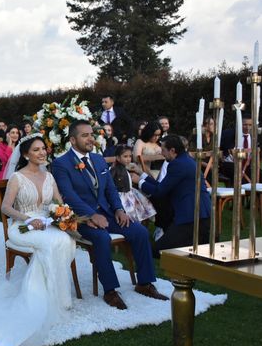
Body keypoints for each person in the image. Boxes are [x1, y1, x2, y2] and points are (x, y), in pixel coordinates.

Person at [0, 134, 77, 346]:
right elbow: (5, 208)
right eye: (36, 150)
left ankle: (59, 296)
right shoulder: (17, 177)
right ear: (25, 154)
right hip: (22, 226)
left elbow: (60, 203)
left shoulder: (49, 176)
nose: (42, 153)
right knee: (52, 243)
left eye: (44, 149)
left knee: (65, 238)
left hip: (45, 223)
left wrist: (65, 215)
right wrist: (27, 219)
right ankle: (41, 300)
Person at [52, 120, 166, 310]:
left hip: (108, 213)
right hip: (80, 218)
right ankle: (111, 291)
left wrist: (119, 210)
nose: (91, 138)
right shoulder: (60, 164)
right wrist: (90, 215)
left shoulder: (98, 159)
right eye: (85, 135)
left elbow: (111, 189)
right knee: (101, 238)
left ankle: (144, 283)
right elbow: (68, 195)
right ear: (72, 140)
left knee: (139, 232)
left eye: (91, 134)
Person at [134, 135, 211, 256]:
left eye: (163, 150)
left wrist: (139, 182)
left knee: (159, 250)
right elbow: (163, 186)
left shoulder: (177, 165)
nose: (161, 153)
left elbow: (160, 191)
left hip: (190, 216)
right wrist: (142, 175)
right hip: (200, 213)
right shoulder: (186, 160)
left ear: (172, 151)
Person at [219, 114, 262, 185]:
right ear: (239, 124)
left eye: (250, 125)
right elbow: (223, 149)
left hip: (246, 165)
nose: (247, 127)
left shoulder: (253, 136)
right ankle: (239, 194)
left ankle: (255, 195)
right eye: (245, 125)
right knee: (241, 179)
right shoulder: (230, 134)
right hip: (230, 164)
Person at [111, 145, 156, 223]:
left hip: (130, 193)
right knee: (130, 212)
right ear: (118, 158)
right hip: (122, 195)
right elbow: (110, 181)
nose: (128, 159)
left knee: (137, 211)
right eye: (125, 156)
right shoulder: (115, 170)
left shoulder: (126, 168)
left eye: (130, 156)